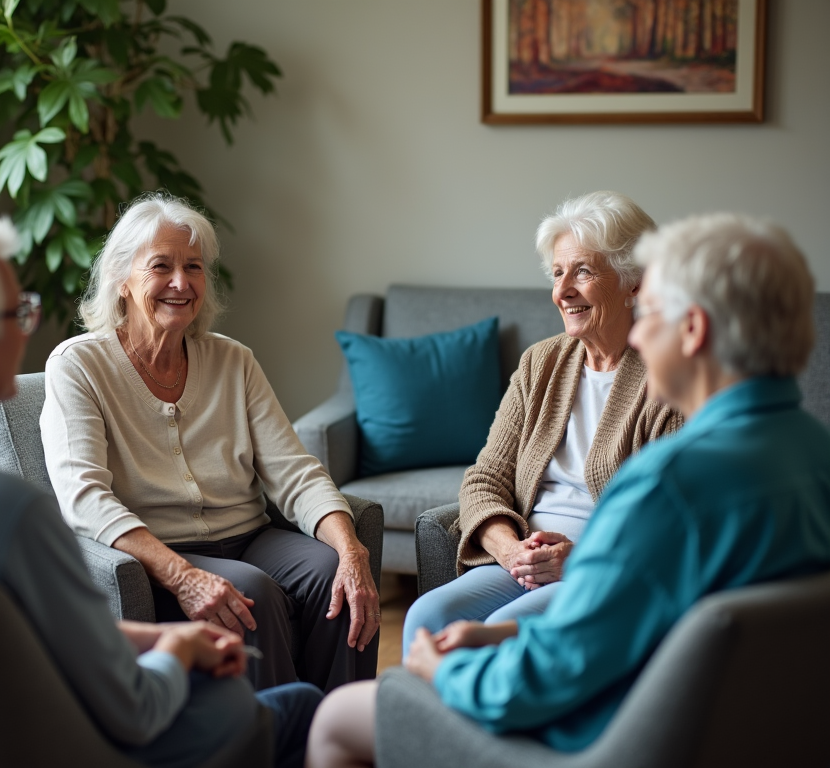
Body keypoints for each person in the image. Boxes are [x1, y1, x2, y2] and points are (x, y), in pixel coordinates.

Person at [306, 212, 830, 767]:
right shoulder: (814, 453)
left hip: (602, 738)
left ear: (693, 329)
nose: (640, 335)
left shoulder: (664, 488)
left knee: (337, 717)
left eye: (649, 313)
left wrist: (448, 670)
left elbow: (552, 674)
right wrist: (492, 628)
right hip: (727, 734)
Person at [0, 212, 321, 768]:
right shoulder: (7, 515)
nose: (28, 327)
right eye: (18, 313)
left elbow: (22, 633)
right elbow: (135, 709)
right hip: (76, 748)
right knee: (301, 708)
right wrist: (173, 650)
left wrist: (148, 642)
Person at [40, 194, 380, 693]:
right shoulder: (79, 365)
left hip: (250, 536)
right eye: (161, 266)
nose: (181, 282)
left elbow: (294, 471)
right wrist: (180, 575)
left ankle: (336, 738)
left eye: (193, 267)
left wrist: (351, 550)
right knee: (251, 594)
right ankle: (274, 743)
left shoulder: (233, 361)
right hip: (158, 551)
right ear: (122, 279)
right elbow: (84, 496)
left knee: (334, 573)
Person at [403, 191, 681, 653]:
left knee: (506, 632)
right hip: (522, 560)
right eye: (557, 273)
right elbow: (484, 479)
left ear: (635, 283)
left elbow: (673, 522)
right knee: (426, 617)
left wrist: (581, 560)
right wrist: (511, 551)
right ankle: (424, 726)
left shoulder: (671, 378)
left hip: (601, 571)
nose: (563, 290)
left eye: (583, 271)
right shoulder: (541, 363)